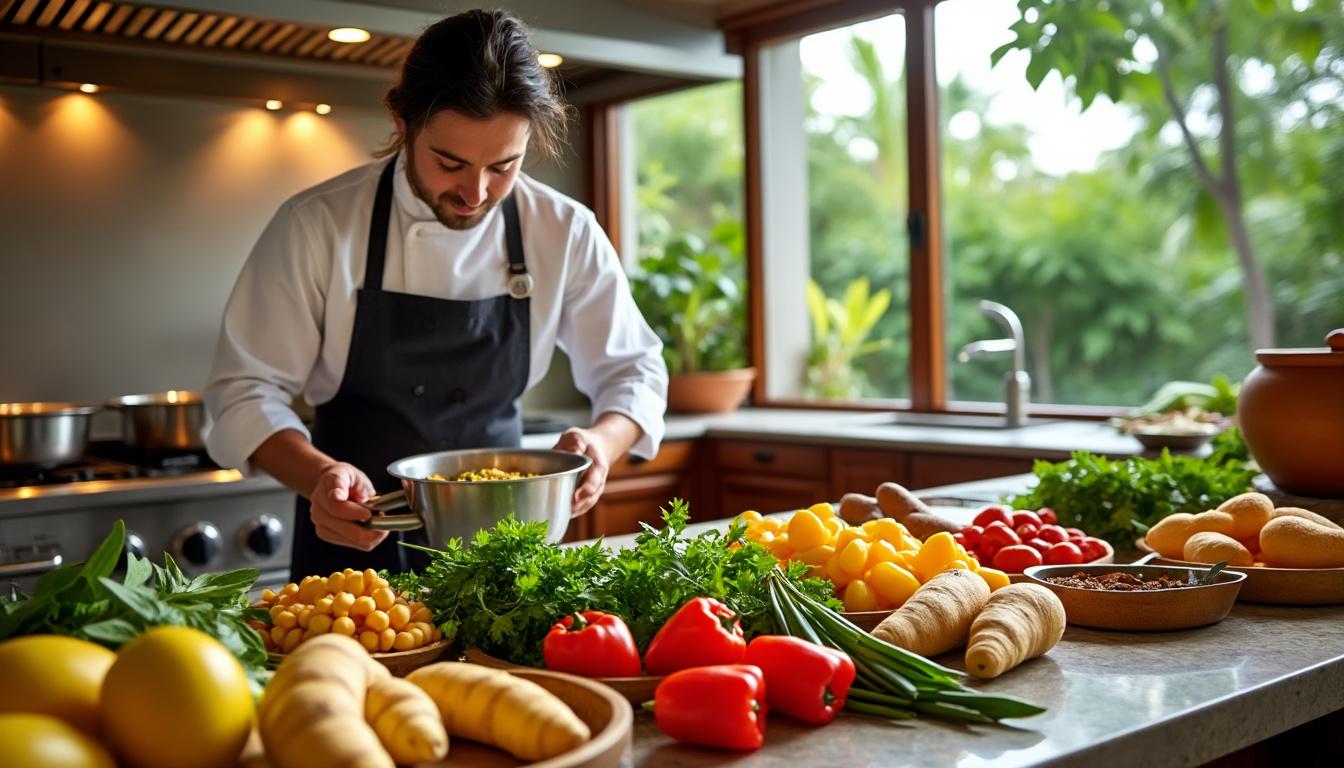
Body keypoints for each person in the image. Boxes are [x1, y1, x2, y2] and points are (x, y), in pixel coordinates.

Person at [203, 9, 668, 577]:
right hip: (357, 545)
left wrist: (603, 441)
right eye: (450, 162)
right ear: (402, 122)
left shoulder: (564, 229)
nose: (475, 193)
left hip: (507, 552)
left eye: (504, 166)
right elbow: (243, 392)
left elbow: (635, 369)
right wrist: (320, 477)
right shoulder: (317, 224)